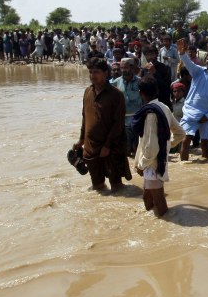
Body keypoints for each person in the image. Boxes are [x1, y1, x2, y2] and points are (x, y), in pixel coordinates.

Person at [73, 57, 131, 193]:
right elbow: (84, 117)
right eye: (91, 72)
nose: (92, 76)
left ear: (106, 73)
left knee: (117, 188)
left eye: (96, 72)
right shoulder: (87, 92)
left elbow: (118, 124)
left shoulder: (116, 95)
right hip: (91, 146)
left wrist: (107, 145)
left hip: (111, 148)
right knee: (98, 187)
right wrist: (81, 140)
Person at [132, 77, 185, 217]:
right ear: (156, 91)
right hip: (159, 159)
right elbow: (180, 133)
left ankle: (164, 227)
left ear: (140, 93)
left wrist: (142, 165)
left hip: (152, 162)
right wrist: (167, 145)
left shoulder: (150, 113)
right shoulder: (164, 107)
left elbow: (150, 145)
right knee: (147, 197)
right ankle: (155, 225)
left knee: (158, 198)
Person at [177, 38, 208, 160]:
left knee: (205, 144)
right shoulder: (198, 71)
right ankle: (183, 165)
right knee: (185, 140)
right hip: (190, 111)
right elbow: (187, 62)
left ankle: (206, 162)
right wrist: (182, 53)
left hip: (207, 115)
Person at [111, 58, 142, 155]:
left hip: (138, 118)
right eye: (122, 68)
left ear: (132, 68)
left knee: (137, 147)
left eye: (126, 67)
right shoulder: (116, 82)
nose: (123, 70)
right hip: (123, 120)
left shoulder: (140, 82)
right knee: (126, 148)